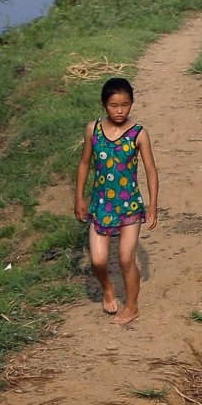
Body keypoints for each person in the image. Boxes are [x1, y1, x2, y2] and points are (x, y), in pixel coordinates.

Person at [74, 77, 159, 325]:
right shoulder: (93, 130)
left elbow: (151, 170)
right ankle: (108, 288)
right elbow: (84, 163)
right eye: (114, 105)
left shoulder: (138, 134)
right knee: (98, 261)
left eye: (125, 105)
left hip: (129, 205)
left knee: (125, 259)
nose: (120, 111)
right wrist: (79, 198)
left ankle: (132, 307)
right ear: (104, 105)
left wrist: (153, 204)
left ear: (131, 103)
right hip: (100, 205)